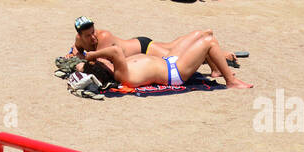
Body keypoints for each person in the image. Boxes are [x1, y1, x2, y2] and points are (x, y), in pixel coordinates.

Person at [74, 32, 251, 90]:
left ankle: (217, 70)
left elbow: (82, 67)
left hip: (169, 61)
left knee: (205, 33)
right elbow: (114, 51)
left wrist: (82, 63)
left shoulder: (116, 68)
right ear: (104, 68)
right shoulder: (120, 72)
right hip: (175, 71)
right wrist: (90, 56)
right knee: (208, 42)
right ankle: (231, 81)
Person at [69, 17, 241, 73]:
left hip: (143, 48)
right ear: (79, 36)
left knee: (175, 55)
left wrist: (81, 61)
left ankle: (211, 45)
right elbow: (76, 49)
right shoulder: (79, 40)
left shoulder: (103, 37)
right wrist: (74, 53)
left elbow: (100, 65)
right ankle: (209, 44)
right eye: (88, 35)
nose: (93, 37)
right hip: (137, 48)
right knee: (173, 46)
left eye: (93, 31)